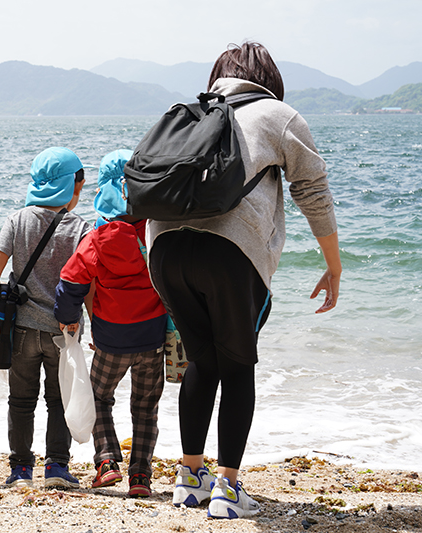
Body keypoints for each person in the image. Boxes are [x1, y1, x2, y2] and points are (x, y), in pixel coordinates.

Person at [146, 42, 342, 519]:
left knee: (202, 361)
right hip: (230, 253)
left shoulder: (188, 112)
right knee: (237, 366)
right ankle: (228, 490)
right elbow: (312, 189)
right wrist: (333, 264)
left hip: (163, 250)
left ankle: (190, 480)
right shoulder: (278, 115)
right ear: (269, 79)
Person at [0, 147, 91, 489]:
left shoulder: (17, 220)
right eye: (80, 183)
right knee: (58, 400)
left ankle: (20, 469)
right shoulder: (81, 228)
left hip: (20, 328)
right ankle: (56, 467)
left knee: (21, 401)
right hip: (63, 332)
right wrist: (98, 324)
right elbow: (89, 283)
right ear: (72, 184)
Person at [54, 149, 168, 498]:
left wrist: (68, 319)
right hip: (153, 337)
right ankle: (140, 476)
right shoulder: (157, 232)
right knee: (145, 408)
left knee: (99, 397)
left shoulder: (97, 238)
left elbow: (70, 283)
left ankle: (106, 461)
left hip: (111, 339)